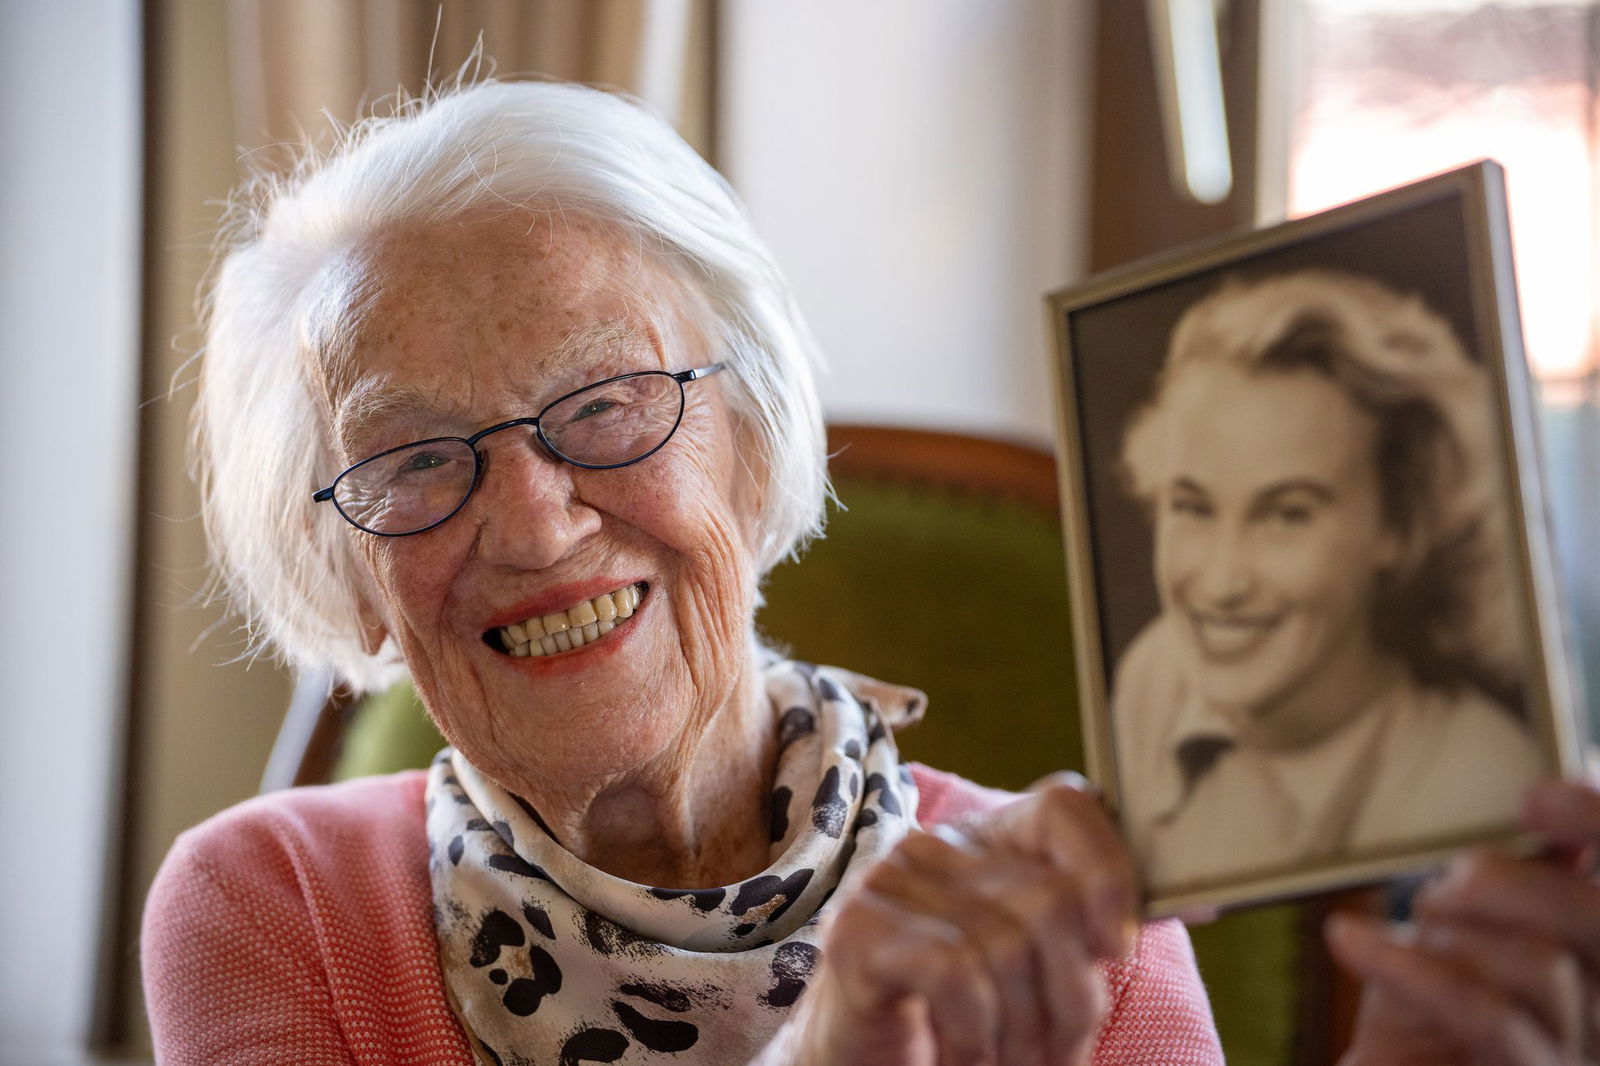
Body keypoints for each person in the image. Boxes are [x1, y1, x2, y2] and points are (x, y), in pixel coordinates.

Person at [141, 80, 1599, 1065]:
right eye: (412, 458)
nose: (530, 524)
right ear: (346, 567)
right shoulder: (271, 909)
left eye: (606, 402)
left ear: (754, 443)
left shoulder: (1076, 927)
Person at [1113, 270, 1544, 894]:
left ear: (1399, 524)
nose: (1222, 582)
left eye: (1287, 514)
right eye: (1193, 507)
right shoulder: (1156, 677)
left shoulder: (1483, 783)